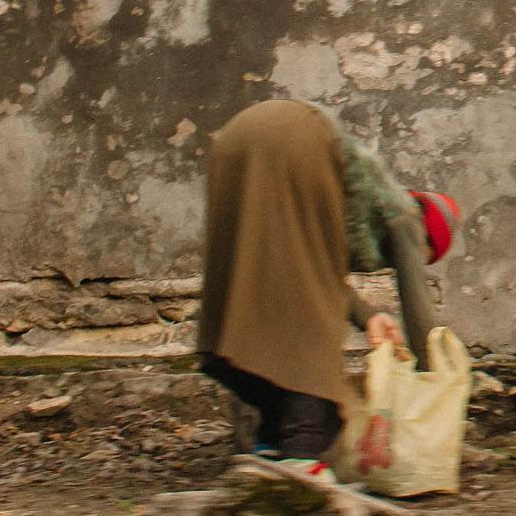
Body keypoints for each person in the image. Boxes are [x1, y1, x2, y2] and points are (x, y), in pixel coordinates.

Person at [197, 98, 460, 482]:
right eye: (423, 255)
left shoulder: (337, 207)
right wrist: (431, 380)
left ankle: (271, 441)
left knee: (246, 288)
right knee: (315, 330)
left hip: (237, 138)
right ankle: (301, 452)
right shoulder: (407, 217)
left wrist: (369, 317)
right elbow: (417, 307)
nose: (407, 260)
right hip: (301, 133)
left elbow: (309, 277)